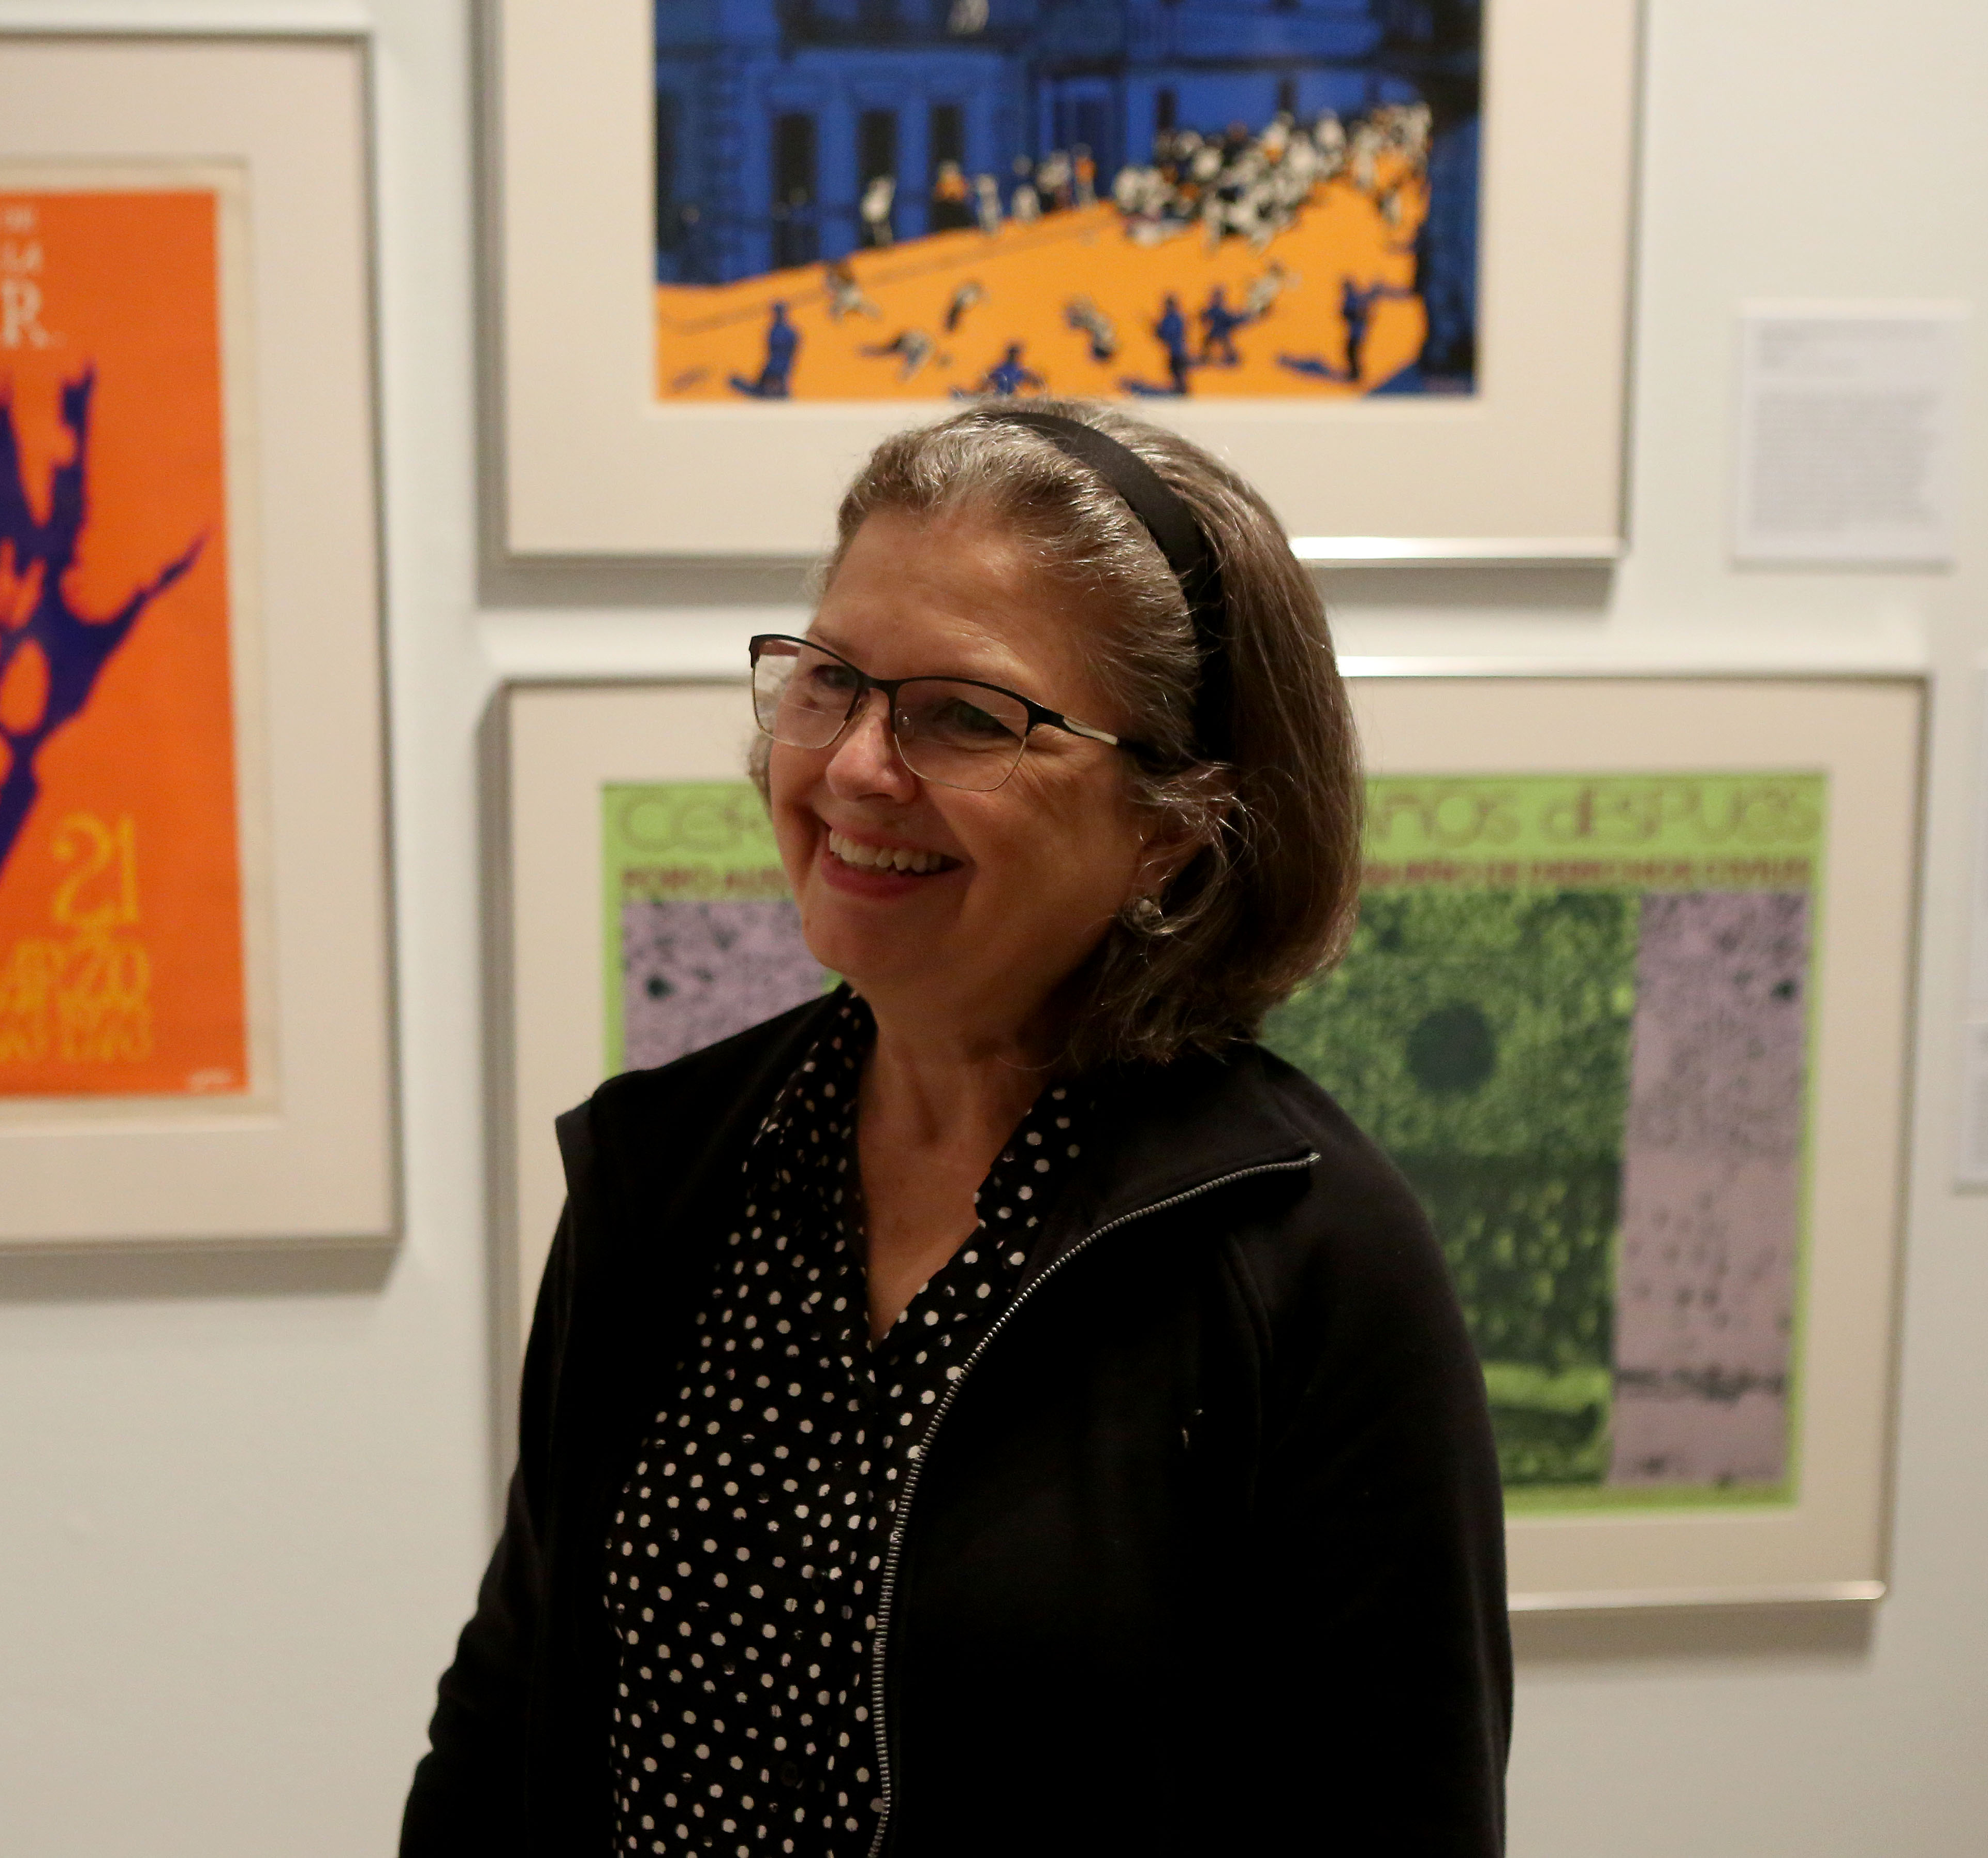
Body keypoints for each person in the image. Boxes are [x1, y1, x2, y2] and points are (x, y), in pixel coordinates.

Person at [402, 401, 1511, 1855]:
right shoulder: (667, 1169)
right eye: (829, 683)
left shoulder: (1302, 1255)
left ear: (1173, 826)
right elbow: (510, 1723)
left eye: (962, 716)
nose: (856, 766)